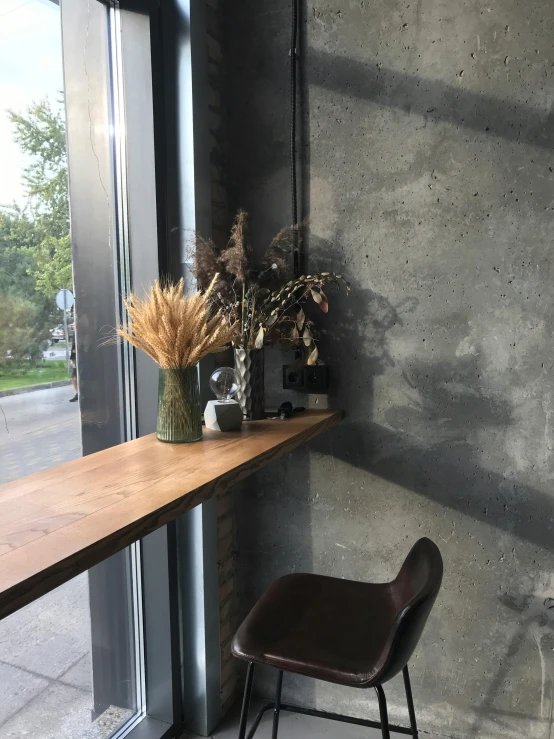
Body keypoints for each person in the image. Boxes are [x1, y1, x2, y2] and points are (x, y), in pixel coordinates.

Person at [69, 325, 78, 403]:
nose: (72, 325)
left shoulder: (83, 334)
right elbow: (73, 348)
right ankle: (77, 393)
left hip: (83, 357)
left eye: (74, 324)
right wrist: (71, 358)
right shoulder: (75, 334)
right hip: (75, 358)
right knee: (74, 377)